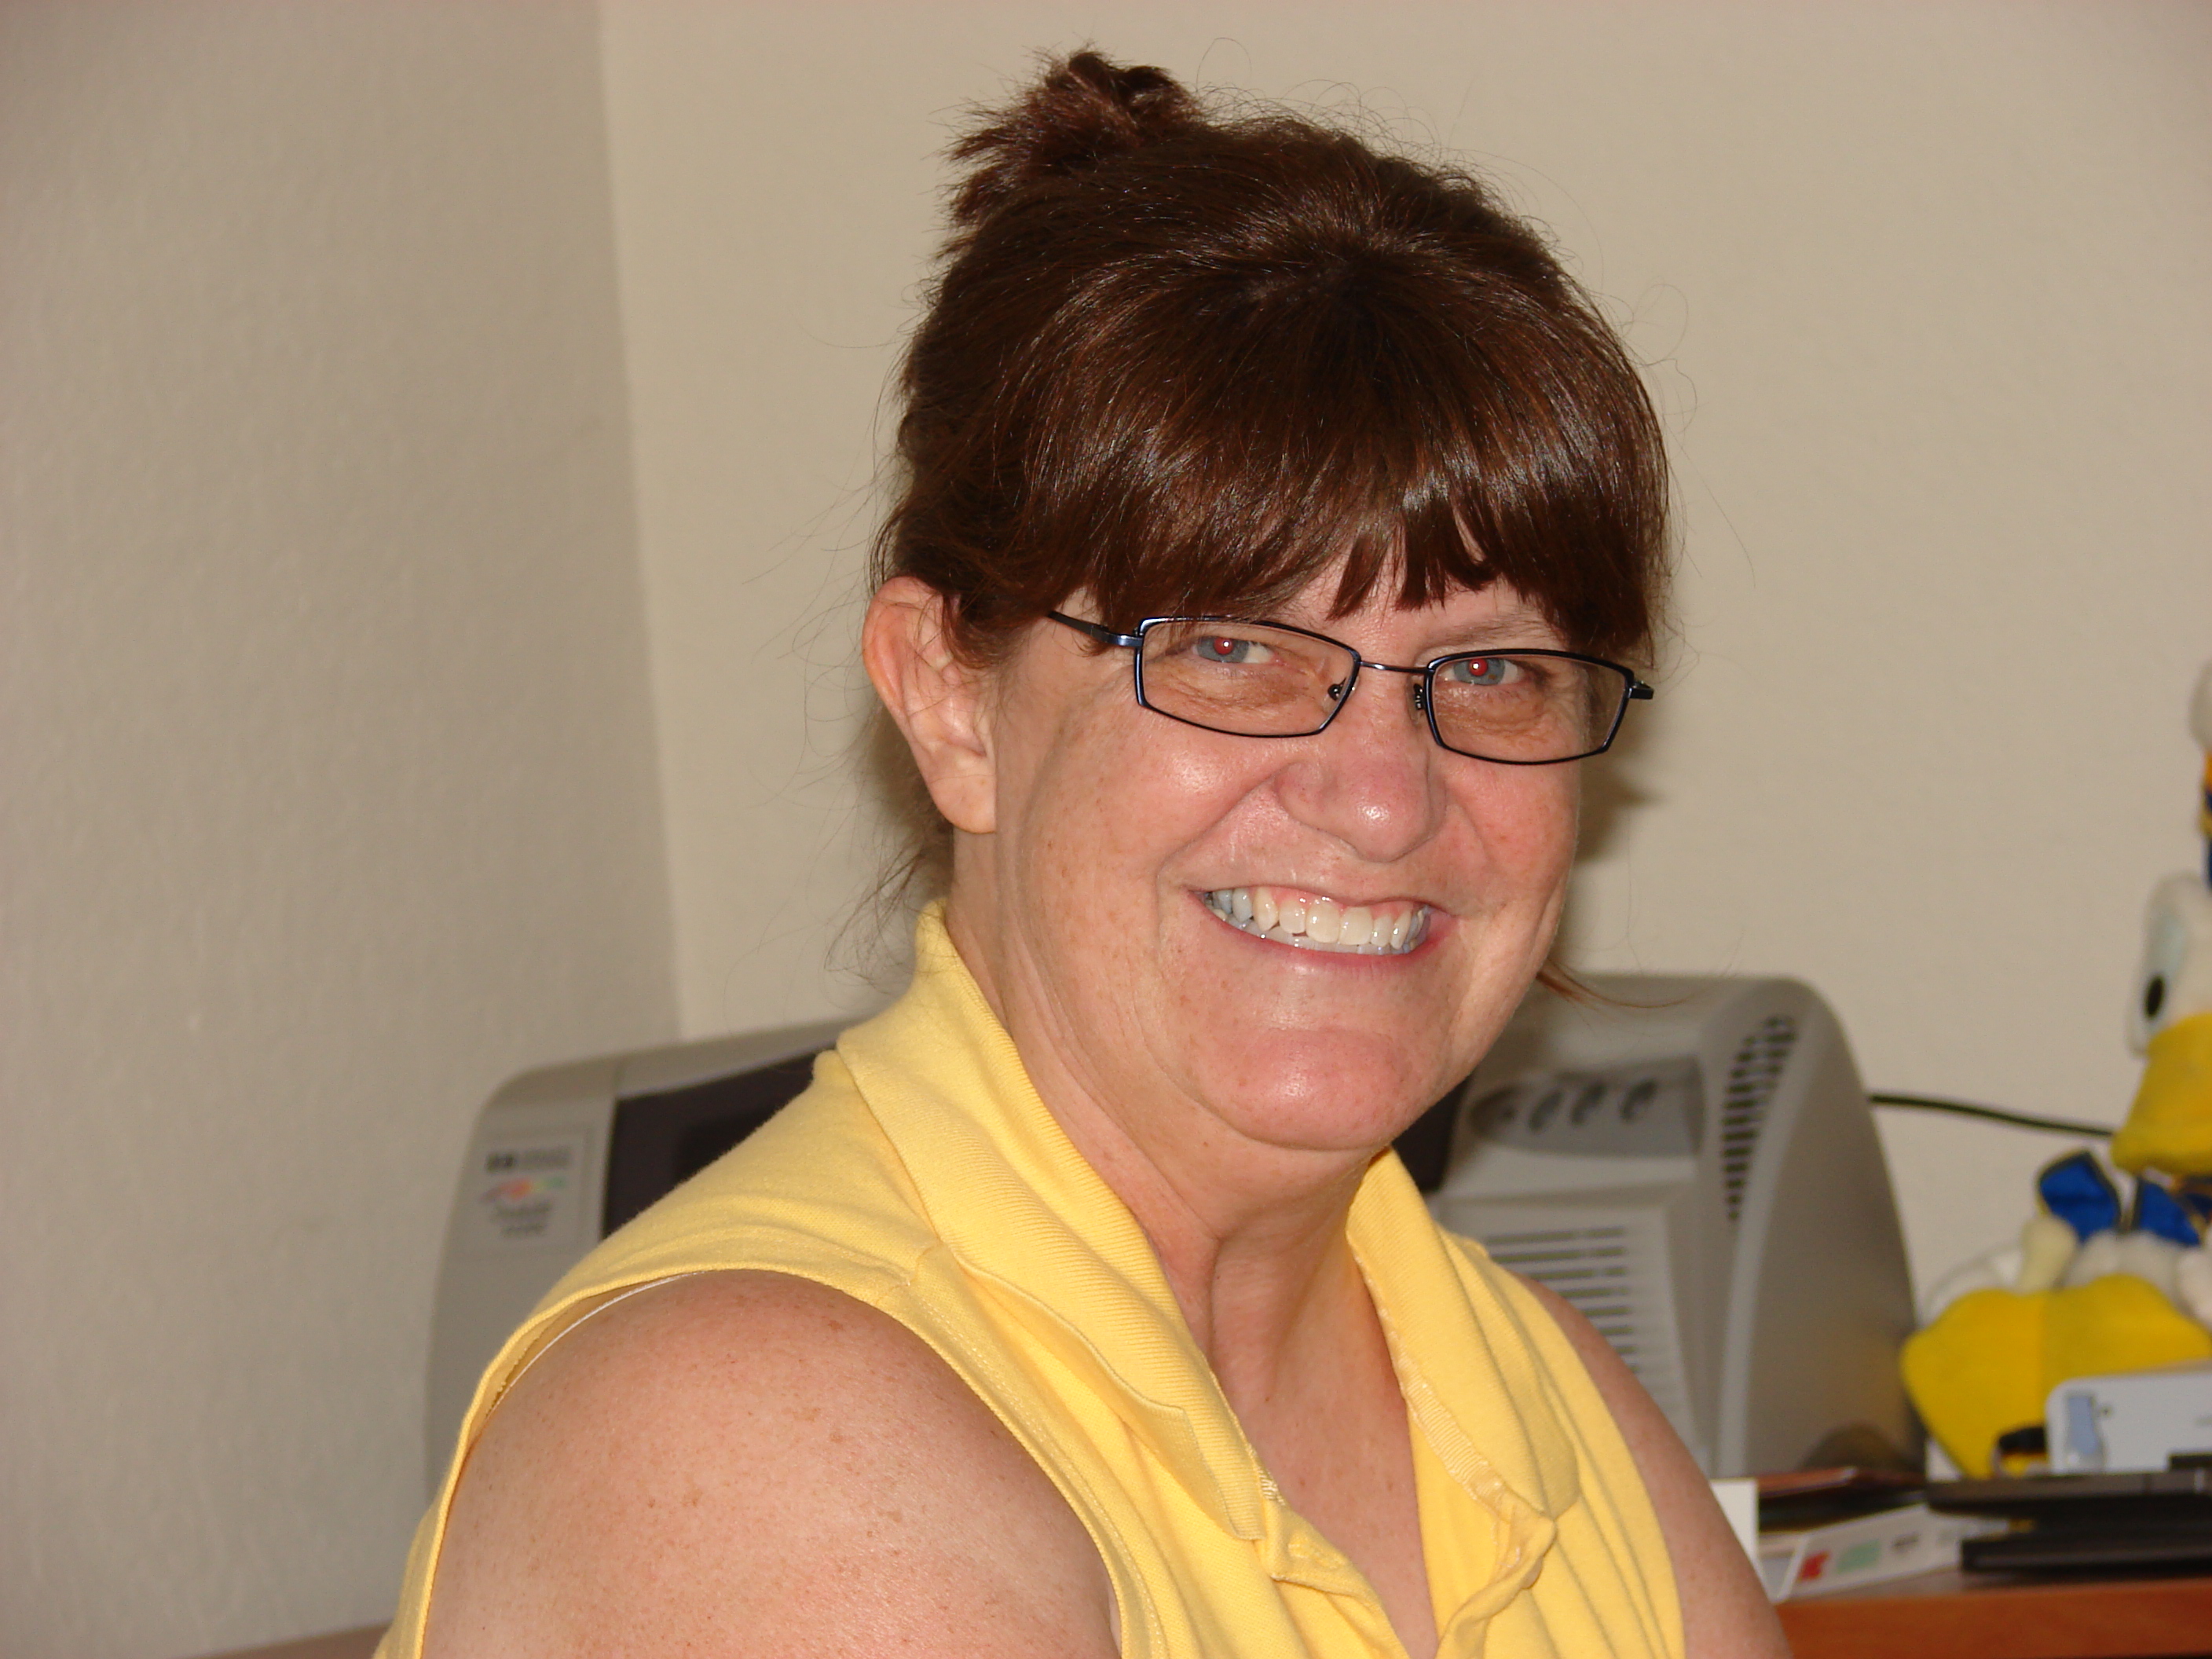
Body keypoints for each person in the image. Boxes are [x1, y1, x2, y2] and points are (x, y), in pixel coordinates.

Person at [389, 51, 1785, 1659]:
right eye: (1232, 649)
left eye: (1488, 670)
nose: (1384, 801)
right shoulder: (759, 1434)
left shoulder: (1549, 1405)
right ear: (949, 699)